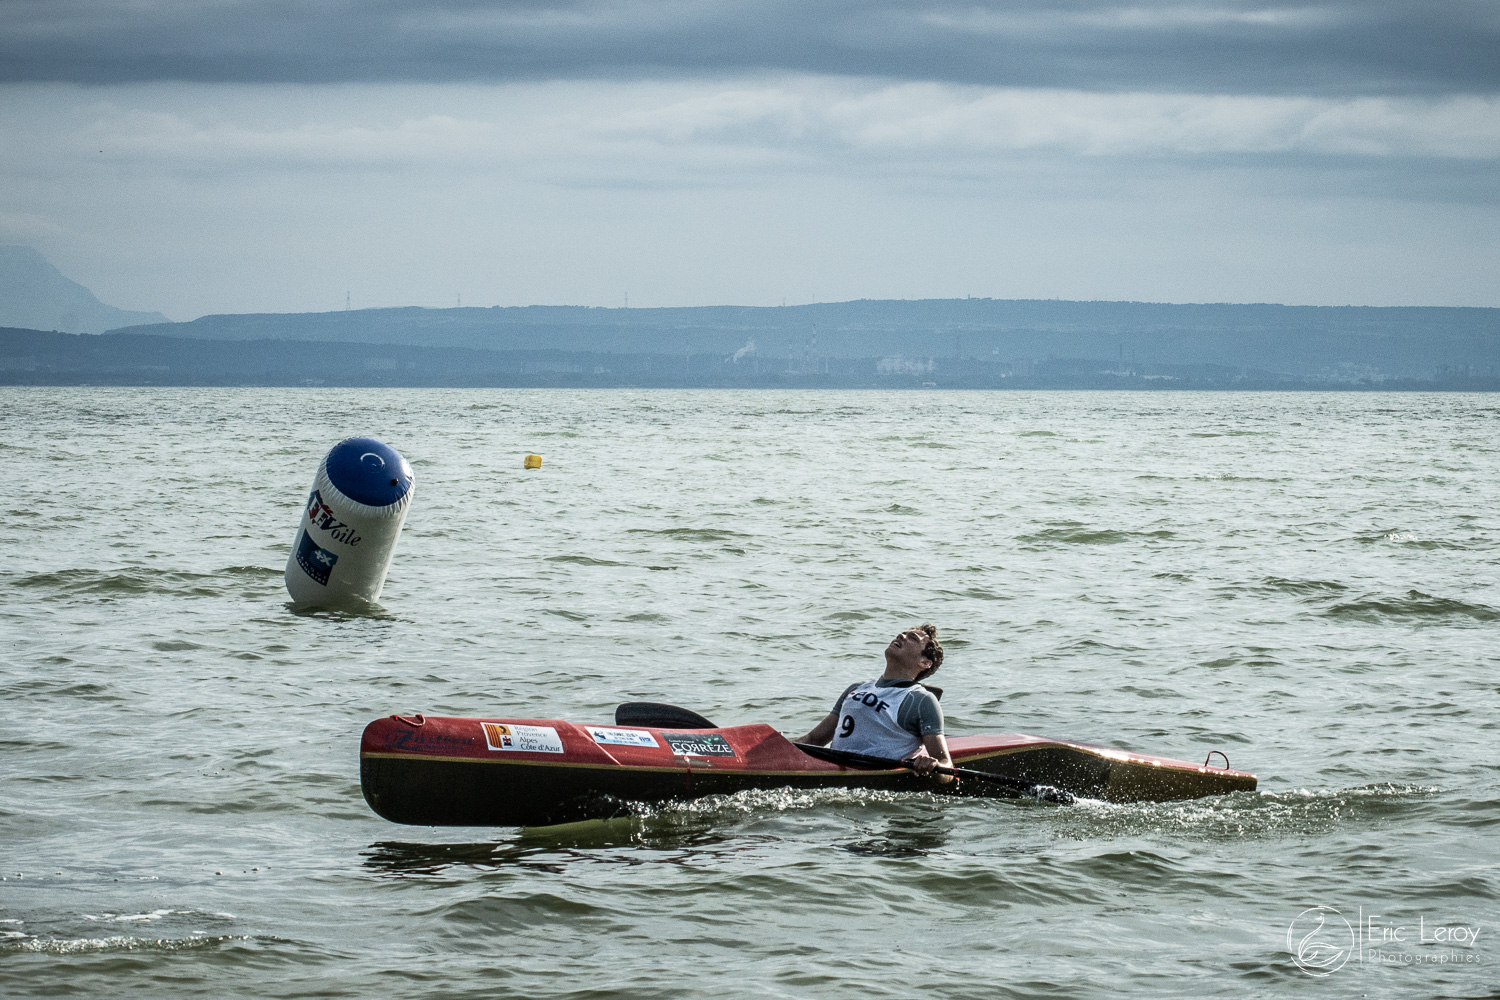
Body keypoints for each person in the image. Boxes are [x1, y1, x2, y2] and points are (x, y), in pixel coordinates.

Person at [798, 624, 954, 784]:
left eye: (912, 638)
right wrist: (778, 747)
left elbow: (946, 768)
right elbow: (813, 739)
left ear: (924, 662)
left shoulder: (921, 700)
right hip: (835, 773)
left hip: (876, 782)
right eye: (903, 633)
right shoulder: (856, 688)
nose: (901, 635)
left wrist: (933, 765)